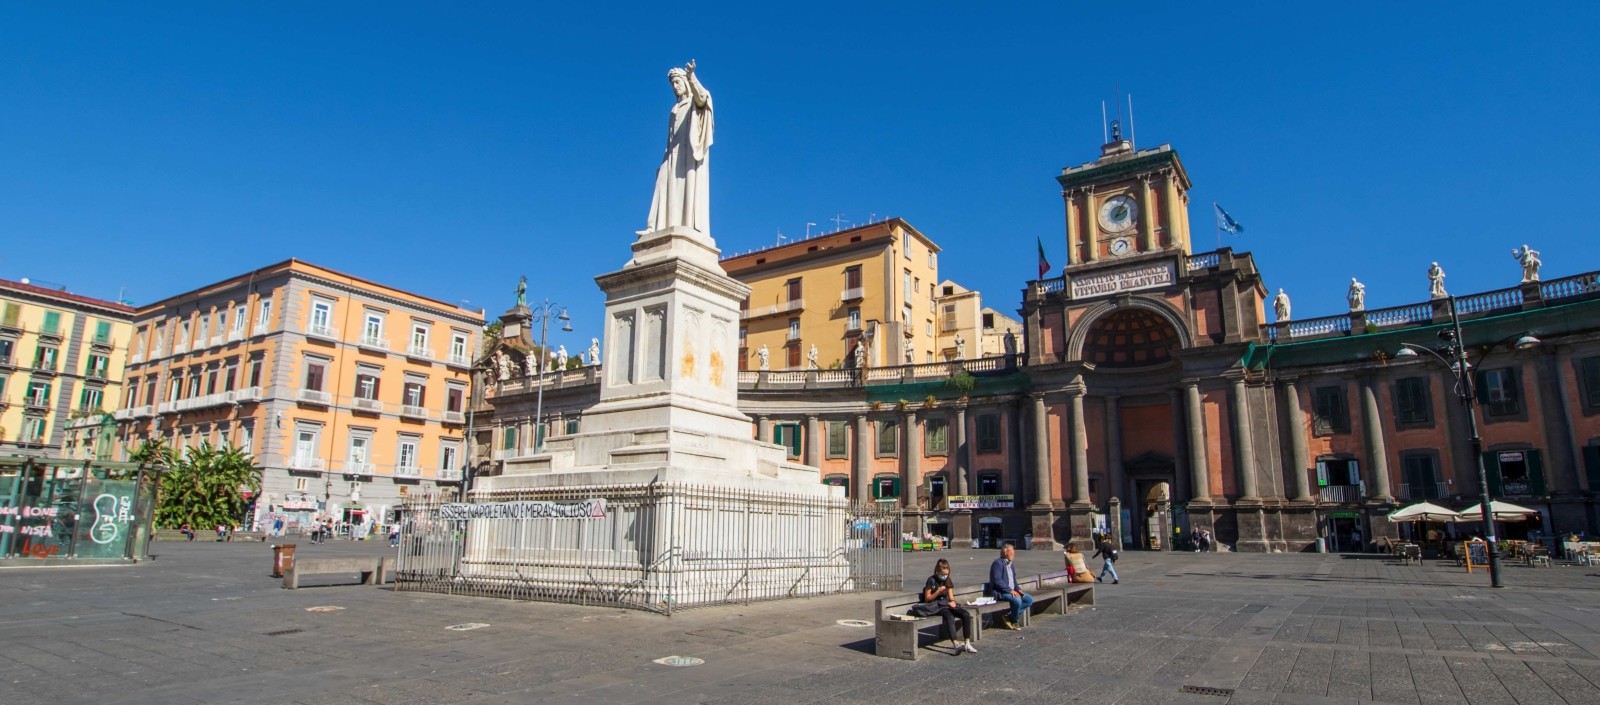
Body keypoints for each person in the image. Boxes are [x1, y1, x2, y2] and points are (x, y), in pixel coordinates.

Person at [918, 559, 976, 654]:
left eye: (946, 574)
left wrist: (952, 601)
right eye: (942, 574)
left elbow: (951, 596)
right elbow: (927, 598)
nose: (944, 576)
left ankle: (967, 643)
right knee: (949, 617)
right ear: (937, 571)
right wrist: (938, 592)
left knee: (965, 614)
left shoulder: (948, 580)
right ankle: (956, 644)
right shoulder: (931, 580)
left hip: (946, 604)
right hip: (937, 606)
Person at [987, 544, 1032, 630]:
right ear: (1005, 552)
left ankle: (1009, 616)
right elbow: (997, 581)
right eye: (1011, 553)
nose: (1013, 555)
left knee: (1029, 599)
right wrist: (1010, 590)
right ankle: (1014, 621)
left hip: (1011, 591)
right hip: (1001, 592)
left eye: (1013, 553)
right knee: (1017, 600)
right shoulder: (997, 563)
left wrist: (1018, 590)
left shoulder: (1011, 565)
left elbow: (1013, 581)